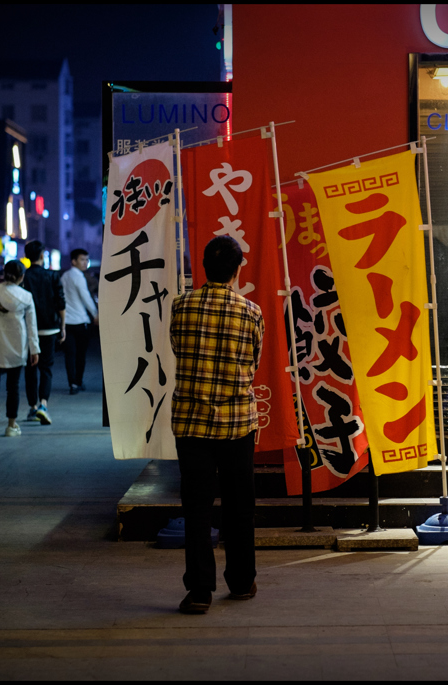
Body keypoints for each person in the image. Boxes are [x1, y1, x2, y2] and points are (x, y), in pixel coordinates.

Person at [170, 236, 263, 615]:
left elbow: (179, 350)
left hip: (191, 424)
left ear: (203, 267)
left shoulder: (181, 306)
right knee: (240, 504)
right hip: (238, 423)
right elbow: (252, 363)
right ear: (238, 269)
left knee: (196, 507)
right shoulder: (251, 312)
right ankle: (241, 582)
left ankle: (200, 592)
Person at [0, 260, 40, 437]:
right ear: (22, 277)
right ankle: (11, 426)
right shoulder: (26, 297)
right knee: (13, 387)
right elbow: (31, 326)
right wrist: (35, 350)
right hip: (17, 347)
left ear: (4, 273)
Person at [21, 240, 65, 425]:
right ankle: (43, 404)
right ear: (41, 255)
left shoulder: (23, 276)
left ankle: (32, 408)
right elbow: (60, 302)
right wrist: (63, 326)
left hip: (28, 329)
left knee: (30, 368)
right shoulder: (53, 276)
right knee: (46, 367)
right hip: (50, 328)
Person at [61, 248, 99, 394]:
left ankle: (72, 383)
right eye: (82, 259)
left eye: (86, 260)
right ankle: (78, 380)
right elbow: (86, 298)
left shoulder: (64, 276)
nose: (85, 263)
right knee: (80, 354)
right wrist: (95, 314)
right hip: (81, 321)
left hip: (67, 322)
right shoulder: (78, 277)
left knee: (69, 354)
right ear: (74, 261)